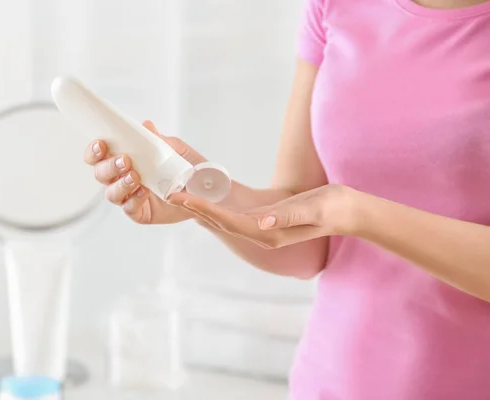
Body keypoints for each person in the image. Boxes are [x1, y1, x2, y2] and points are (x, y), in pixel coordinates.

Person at [84, 0, 490, 398]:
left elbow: (337, 211)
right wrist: (198, 192)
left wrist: (358, 212)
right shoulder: (334, 6)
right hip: (331, 383)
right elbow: (307, 243)